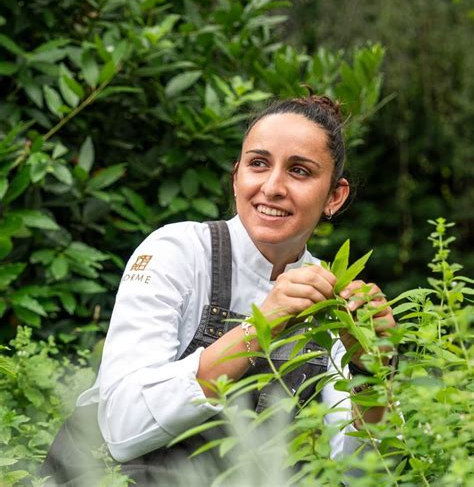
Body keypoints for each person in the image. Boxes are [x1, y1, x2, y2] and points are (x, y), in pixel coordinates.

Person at [42, 94, 396, 485]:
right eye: (258, 164)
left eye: (299, 171)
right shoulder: (177, 252)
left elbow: (356, 474)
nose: (273, 186)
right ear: (236, 176)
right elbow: (123, 429)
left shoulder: (334, 301)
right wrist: (262, 326)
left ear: (334, 196)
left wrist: (371, 370)